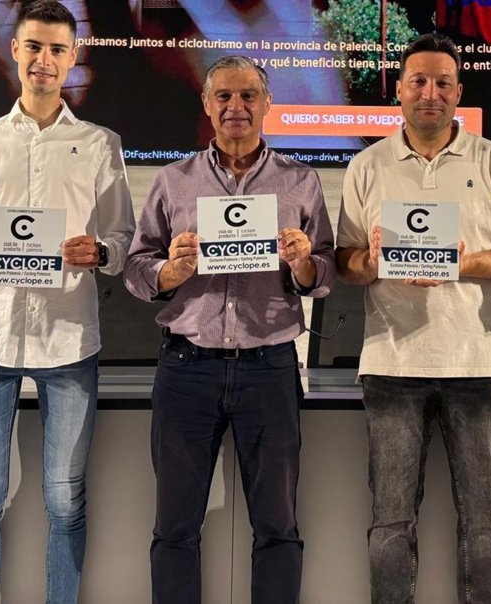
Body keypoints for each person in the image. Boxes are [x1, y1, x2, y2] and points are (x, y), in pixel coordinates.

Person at [0, 0, 136, 604]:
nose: (45, 59)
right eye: (35, 46)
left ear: (73, 58)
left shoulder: (100, 144)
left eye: (57, 49)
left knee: (65, 499)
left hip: (68, 338)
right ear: (15, 50)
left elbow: (123, 240)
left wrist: (100, 250)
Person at [336, 33, 491, 604]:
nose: (431, 93)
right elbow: (345, 262)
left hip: (478, 364)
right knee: (389, 524)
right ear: (400, 90)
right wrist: (370, 262)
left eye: (443, 83)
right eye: (419, 82)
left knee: (485, 525)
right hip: (391, 365)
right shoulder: (366, 165)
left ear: (458, 91)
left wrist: (464, 263)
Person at [123, 55, 335, 604]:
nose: (235, 106)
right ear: (206, 104)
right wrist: (169, 273)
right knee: (174, 526)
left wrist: (304, 264)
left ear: (268, 105)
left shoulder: (301, 181)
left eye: (248, 96)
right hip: (186, 369)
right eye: (223, 96)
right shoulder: (174, 180)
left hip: (270, 369)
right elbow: (136, 267)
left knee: (278, 526)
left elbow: (326, 272)